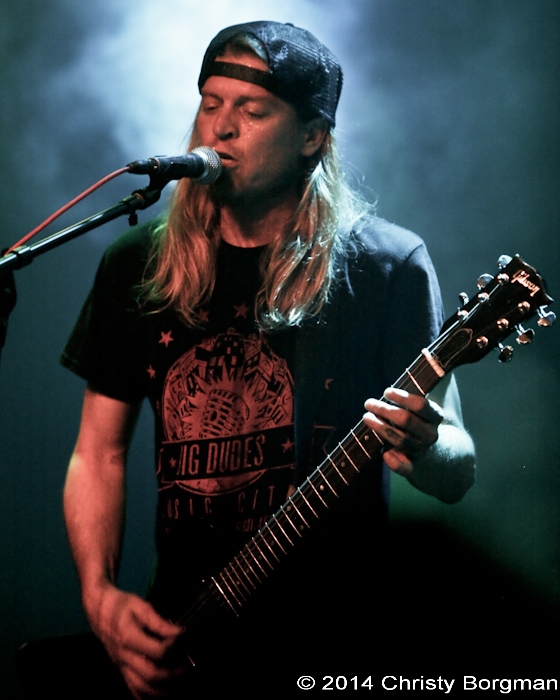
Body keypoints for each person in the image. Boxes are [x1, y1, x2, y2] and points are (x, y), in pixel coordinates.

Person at [59, 20, 475, 698]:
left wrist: (426, 446)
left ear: (313, 137)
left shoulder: (386, 265)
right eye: (210, 104)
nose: (220, 128)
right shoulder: (136, 264)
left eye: (251, 111)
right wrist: (99, 596)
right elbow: (97, 453)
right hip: (182, 641)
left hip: (330, 646)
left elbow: (457, 466)